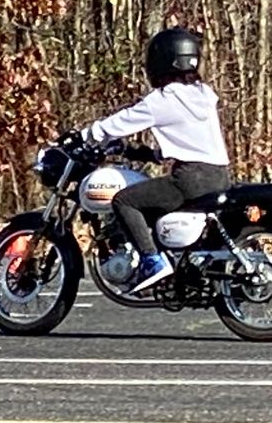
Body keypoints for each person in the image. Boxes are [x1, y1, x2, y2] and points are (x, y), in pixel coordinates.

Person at [81, 26, 231, 292]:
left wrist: (88, 135)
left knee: (125, 201)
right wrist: (149, 154)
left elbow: (121, 122)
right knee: (154, 202)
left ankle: (152, 261)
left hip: (190, 179)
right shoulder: (202, 95)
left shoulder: (164, 99)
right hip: (218, 175)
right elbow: (191, 137)